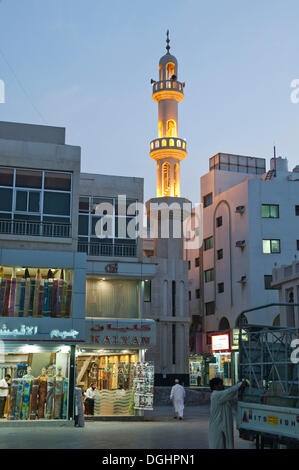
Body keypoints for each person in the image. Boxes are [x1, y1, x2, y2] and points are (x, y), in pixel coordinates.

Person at [208, 378, 247, 449]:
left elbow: (230, 396)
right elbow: (229, 392)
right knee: (217, 445)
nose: (223, 386)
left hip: (222, 425)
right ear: (215, 386)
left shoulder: (223, 398)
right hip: (217, 427)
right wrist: (239, 385)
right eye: (221, 384)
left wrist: (239, 390)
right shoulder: (216, 395)